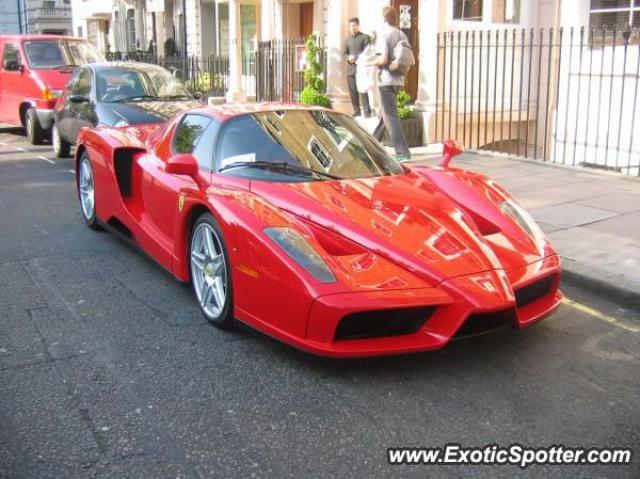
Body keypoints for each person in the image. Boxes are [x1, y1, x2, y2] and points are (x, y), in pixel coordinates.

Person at [371, 6, 411, 162]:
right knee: (385, 115)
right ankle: (373, 145)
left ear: (383, 18)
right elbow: (411, 59)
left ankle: (402, 152)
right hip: (398, 80)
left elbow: (383, 59)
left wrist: (370, 63)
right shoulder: (401, 34)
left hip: (386, 80)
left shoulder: (384, 34)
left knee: (390, 116)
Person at [344, 17, 371, 118]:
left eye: (354, 25)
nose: (352, 27)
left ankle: (367, 111)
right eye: (350, 26)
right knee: (353, 90)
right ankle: (356, 110)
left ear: (358, 25)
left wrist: (356, 57)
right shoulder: (348, 39)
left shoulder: (365, 37)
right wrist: (348, 57)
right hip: (351, 69)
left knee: (363, 90)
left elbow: (368, 52)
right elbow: (344, 53)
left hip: (362, 68)